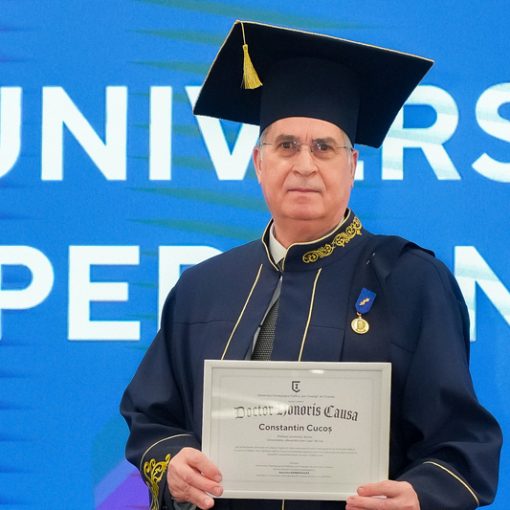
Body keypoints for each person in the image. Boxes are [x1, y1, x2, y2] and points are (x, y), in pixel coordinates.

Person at [121, 20, 502, 510]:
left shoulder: (410, 281)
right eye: (286, 146)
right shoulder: (202, 288)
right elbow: (152, 421)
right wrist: (173, 463)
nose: (304, 165)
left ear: (352, 166)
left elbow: (461, 443)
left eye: (324, 147)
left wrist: (420, 495)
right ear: (259, 163)